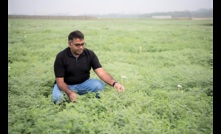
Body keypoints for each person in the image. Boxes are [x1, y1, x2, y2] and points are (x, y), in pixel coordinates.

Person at [52, 30, 125, 104]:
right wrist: (69, 92)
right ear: (69, 44)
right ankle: (70, 98)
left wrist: (115, 83)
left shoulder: (90, 54)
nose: (81, 47)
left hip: (83, 84)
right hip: (66, 85)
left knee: (99, 85)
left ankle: (91, 100)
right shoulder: (61, 57)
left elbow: (101, 72)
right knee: (57, 98)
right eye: (77, 45)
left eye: (83, 44)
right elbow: (59, 81)